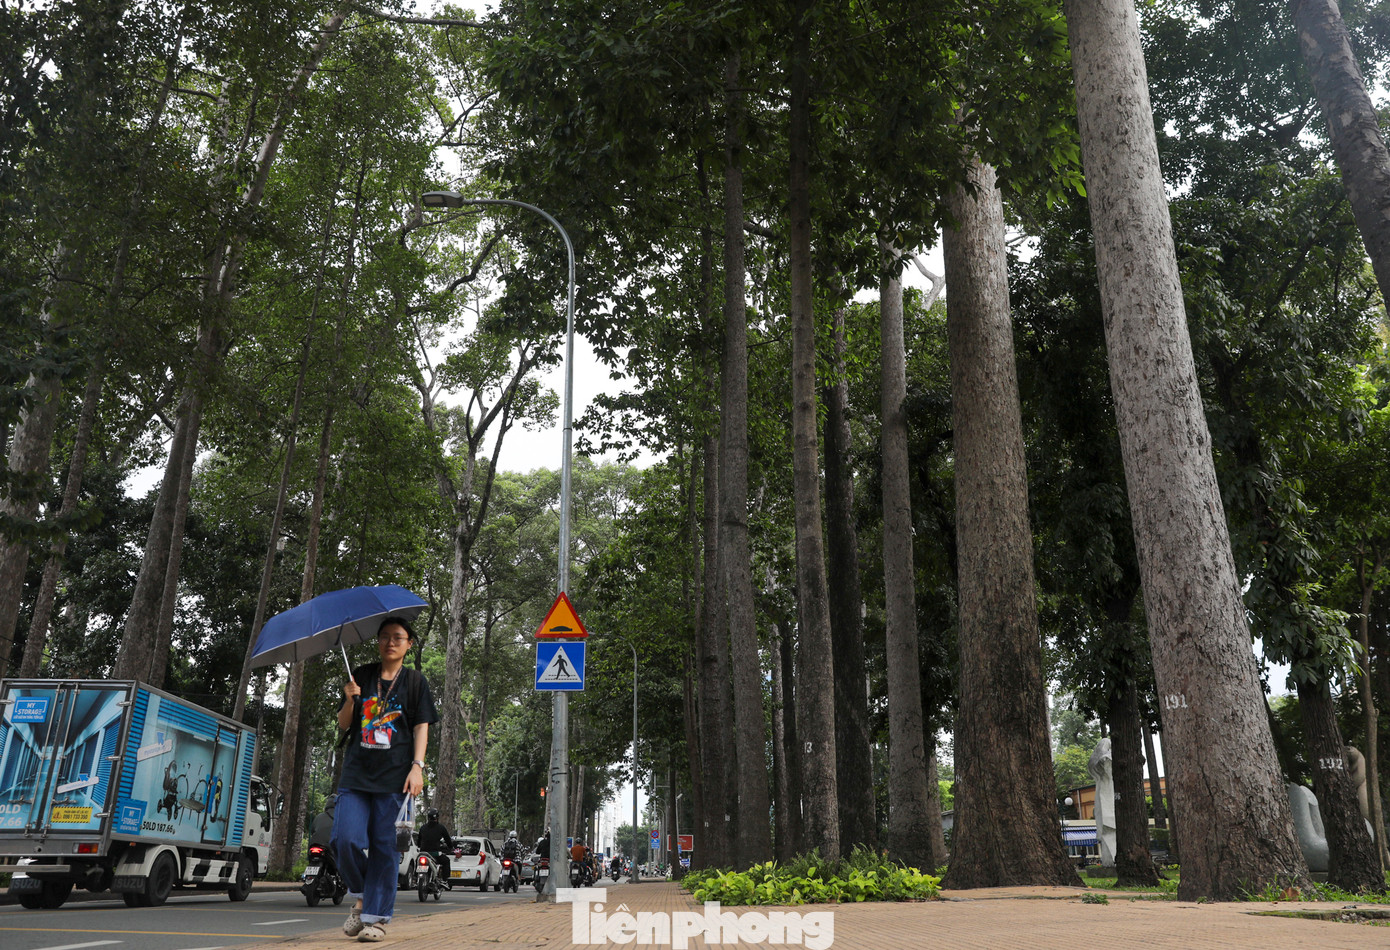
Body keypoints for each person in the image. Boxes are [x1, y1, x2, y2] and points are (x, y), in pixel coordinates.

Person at [334, 617, 438, 943]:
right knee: (343, 839)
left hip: (396, 778)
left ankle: (375, 919)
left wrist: (417, 767)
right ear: (377, 642)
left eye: (398, 637)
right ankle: (364, 895)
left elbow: (422, 726)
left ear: (409, 644)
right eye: (384, 637)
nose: (390, 642)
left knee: (385, 849)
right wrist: (350, 699)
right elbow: (342, 724)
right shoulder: (361, 675)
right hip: (356, 773)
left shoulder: (415, 682)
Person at [418, 807, 453, 889]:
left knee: (418, 862)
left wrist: (420, 847)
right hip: (435, 854)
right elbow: (448, 840)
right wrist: (450, 847)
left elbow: (419, 841)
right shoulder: (441, 828)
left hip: (423, 853)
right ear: (437, 817)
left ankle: (415, 877)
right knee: (446, 861)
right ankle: (444, 881)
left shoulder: (422, 828)